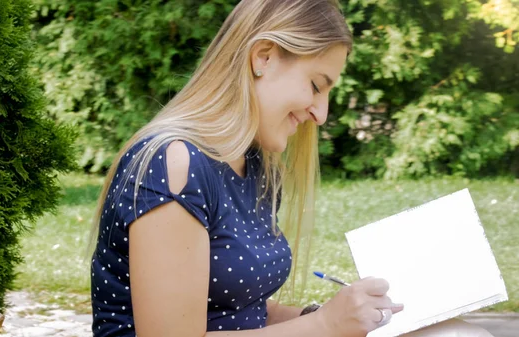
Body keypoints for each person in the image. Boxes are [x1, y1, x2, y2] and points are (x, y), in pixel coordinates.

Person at [88, 0, 494, 336]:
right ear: (263, 57)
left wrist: (333, 314)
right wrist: (326, 325)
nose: (320, 113)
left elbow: (241, 311)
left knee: (459, 332)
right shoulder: (174, 161)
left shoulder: (256, 163)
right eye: (316, 86)